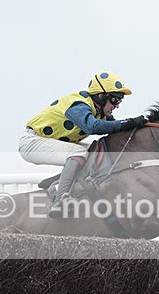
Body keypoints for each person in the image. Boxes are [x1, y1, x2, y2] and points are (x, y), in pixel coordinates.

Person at [18, 72, 147, 216]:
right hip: (32, 143)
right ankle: (59, 200)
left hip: (48, 142)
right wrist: (128, 122)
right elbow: (93, 127)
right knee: (78, 152)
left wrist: (139, 127)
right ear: (100, 96)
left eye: (120, 101)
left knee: (96, 149)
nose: (117, 105)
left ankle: (56, 183)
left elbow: (115, 129)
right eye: (114, 99)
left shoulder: (100, 111)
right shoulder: (78, 105)